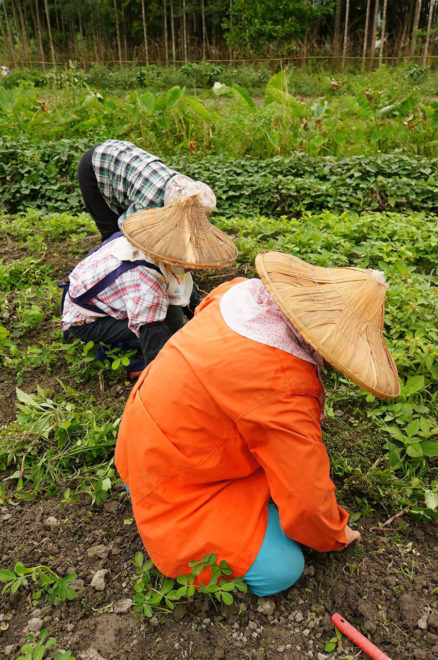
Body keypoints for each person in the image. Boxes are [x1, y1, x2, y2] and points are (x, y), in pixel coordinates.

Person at [115, 250, 400, 596]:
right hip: (169, 482)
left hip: (138, 440)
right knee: (282, 568)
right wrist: (338, 534)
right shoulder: (283, 388)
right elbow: (308, 505)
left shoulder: (237, 294)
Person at [61, 195, 237, 378]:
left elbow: (188, 292)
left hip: (108, 298)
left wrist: (202, 327)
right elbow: (151, 328)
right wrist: (162, 373)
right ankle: (117, 352)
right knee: (171, 326)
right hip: (87, 321)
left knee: (174, 318)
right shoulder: (146, 278)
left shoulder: (156, 246)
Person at [78, 139, 216, 242]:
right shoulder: (150, 203)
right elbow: (126, 230)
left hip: (121, 159)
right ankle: (108, 274)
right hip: (96, 166)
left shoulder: (184, 186)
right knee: (114, 235)